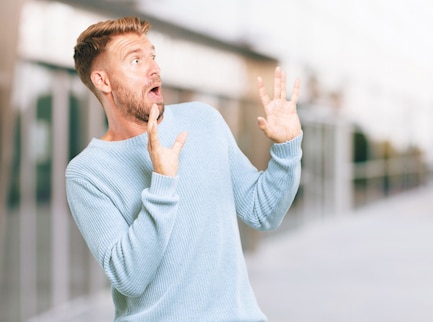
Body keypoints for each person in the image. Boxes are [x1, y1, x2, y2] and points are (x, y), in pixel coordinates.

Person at [66, 16, 302, 321]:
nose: (154, 68)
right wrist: (162, 182)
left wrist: (287, 150)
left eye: (152, 56)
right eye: (135, 60)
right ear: (103, 81)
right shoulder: (87, 172)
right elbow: (130, 277)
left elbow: (263, 211)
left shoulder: (204, 120)